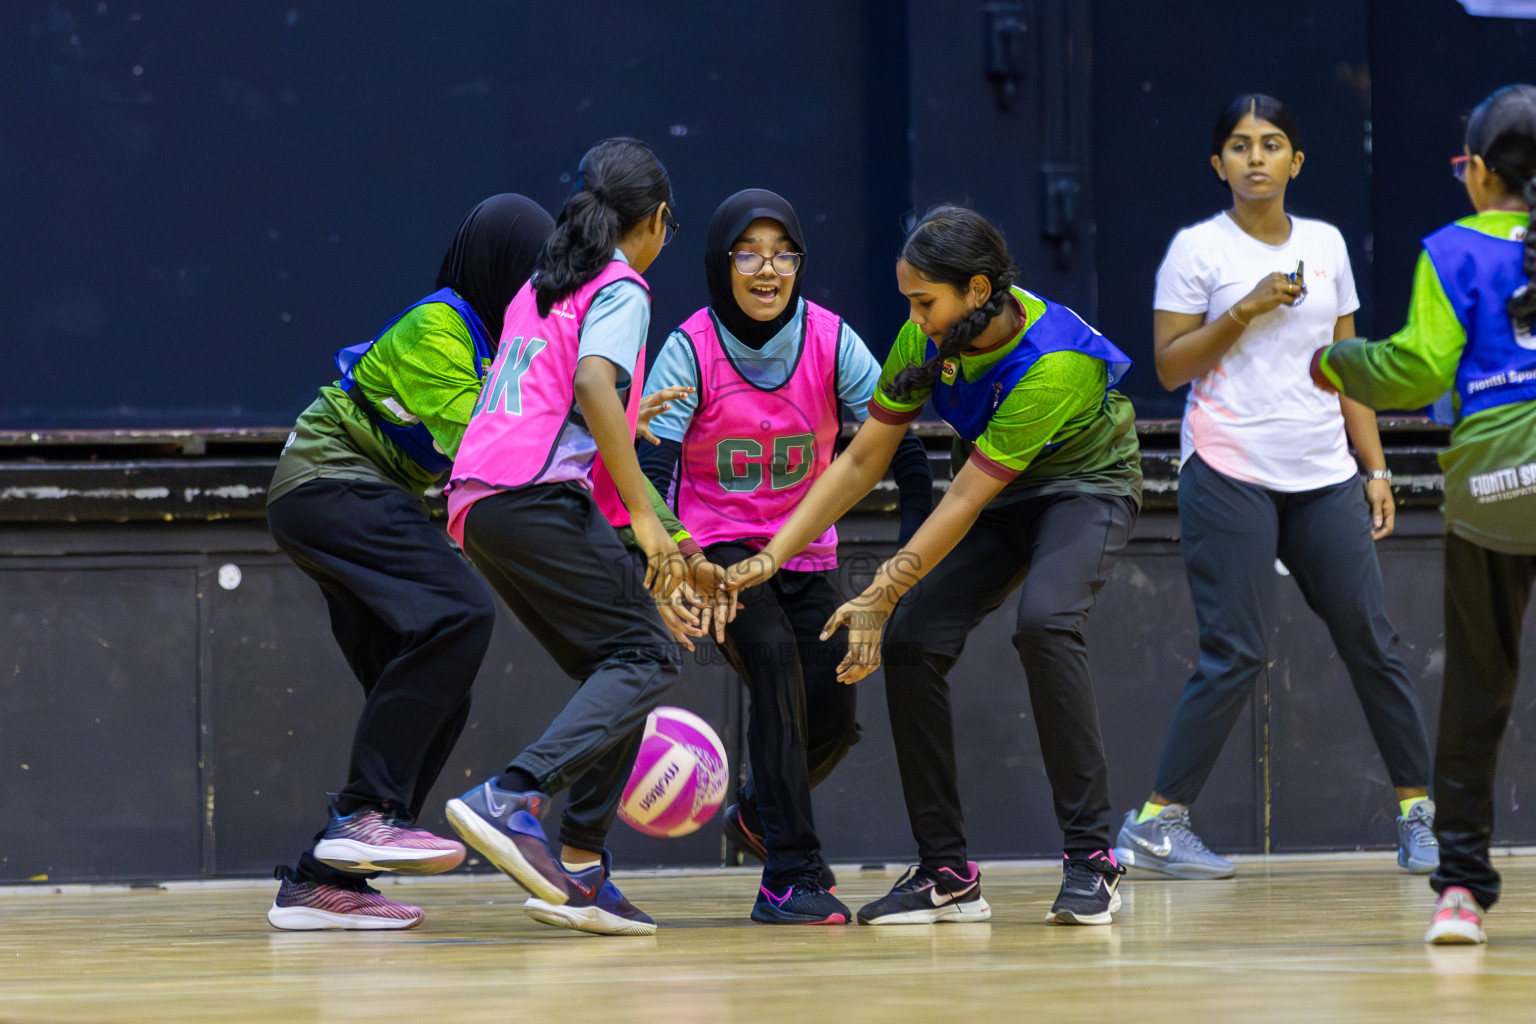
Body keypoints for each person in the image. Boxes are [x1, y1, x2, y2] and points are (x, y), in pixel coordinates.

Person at [727, 205, 1142, 926]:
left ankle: (1092, 856)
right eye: (909, 301)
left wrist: (882, 590)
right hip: (1004, 496)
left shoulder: (1056, 363)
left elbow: (964, 498)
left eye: (925, 301)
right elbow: (860, 459)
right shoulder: (927, 336)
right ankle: (946, 871)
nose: (914, 318)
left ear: (978, 290)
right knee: (913, 642)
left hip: (1086, 489)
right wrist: (772, 555)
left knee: (1045, 624)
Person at [1113, 95, 1437, 881]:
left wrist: (1377, 467)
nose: (1255, 156)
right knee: (1237, 651)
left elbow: (1346, 365)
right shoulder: (1198, 251)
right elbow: (1168, 367)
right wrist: (1246, 310)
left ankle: (1419, 813)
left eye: (1272, 143)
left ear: (1295, 161)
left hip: (1324, 473)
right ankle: (1156, 823)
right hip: (1229, 468)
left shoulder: (1325, 244)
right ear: (1218, 164)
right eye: (1238, 145)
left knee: (1374, 640)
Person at [638, 189, 932, 924]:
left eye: (783, 253)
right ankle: (790, 875)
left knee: (832, 707)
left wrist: (910, 557)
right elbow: (652, 469)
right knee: (773, 666)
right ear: (721, 262)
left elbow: (908, 449)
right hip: (722, 554)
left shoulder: (833, 342)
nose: (767, 269)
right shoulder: (690, 346)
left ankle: (756, 813)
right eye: (748, 253)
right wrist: (675, 558)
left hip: (803, 547)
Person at [263, 193, 554, 930]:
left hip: (350, 495)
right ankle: (364, 816)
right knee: (460, 612)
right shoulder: (439, 325)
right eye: (529, 274)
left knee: (435, 691)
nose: (539, 292)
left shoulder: (496, 348)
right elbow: (482, 448)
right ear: (498, 269)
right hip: (329, 482)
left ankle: (320, 882)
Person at [440, 138, 693, 937]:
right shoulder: (622, 285)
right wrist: (650, 523)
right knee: (647, 656)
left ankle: (579, 867)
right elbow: (589, 387)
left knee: (618, 664)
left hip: (479, 503)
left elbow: (555, 398)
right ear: (655, 222)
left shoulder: (544, 286)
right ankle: (512, 796)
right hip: (530, 495)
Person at [1311, 84, 1536, 944]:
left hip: (1496, 492)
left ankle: (1462, 892)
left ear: (1477, 172)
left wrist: (1338, 361)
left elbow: (1415, 371)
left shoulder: (1451, 250)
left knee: (1479, 692)